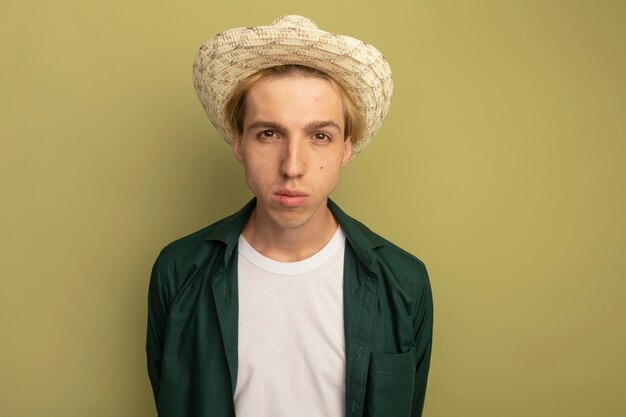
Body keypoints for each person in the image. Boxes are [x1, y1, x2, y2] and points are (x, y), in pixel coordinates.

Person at [146, 15, 433, 417]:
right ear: (239, 142)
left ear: (346, 148)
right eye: (269, 133)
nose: (292, 165)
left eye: (320, 136)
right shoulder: (177, 273)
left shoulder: (403, 282)